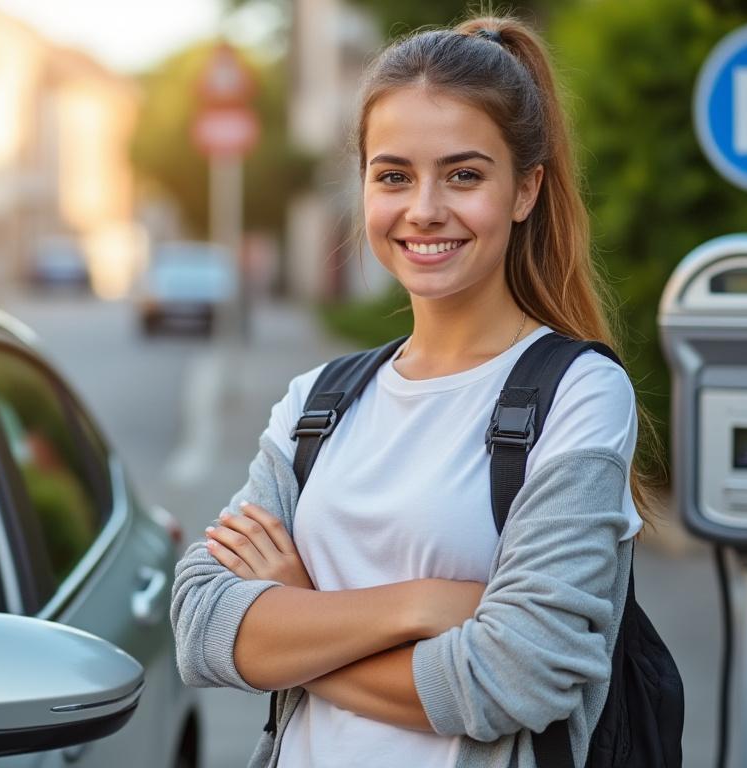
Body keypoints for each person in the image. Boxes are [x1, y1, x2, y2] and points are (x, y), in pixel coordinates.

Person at [170, 14, 657, 768]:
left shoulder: (579, 395)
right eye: (393, 175)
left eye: (464, 175)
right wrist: (419, 605)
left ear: (525, 189)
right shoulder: (318, 403)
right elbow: (201, 624)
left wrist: (297, 619)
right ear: (362, 183)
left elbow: (512, 679)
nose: (424, 208)